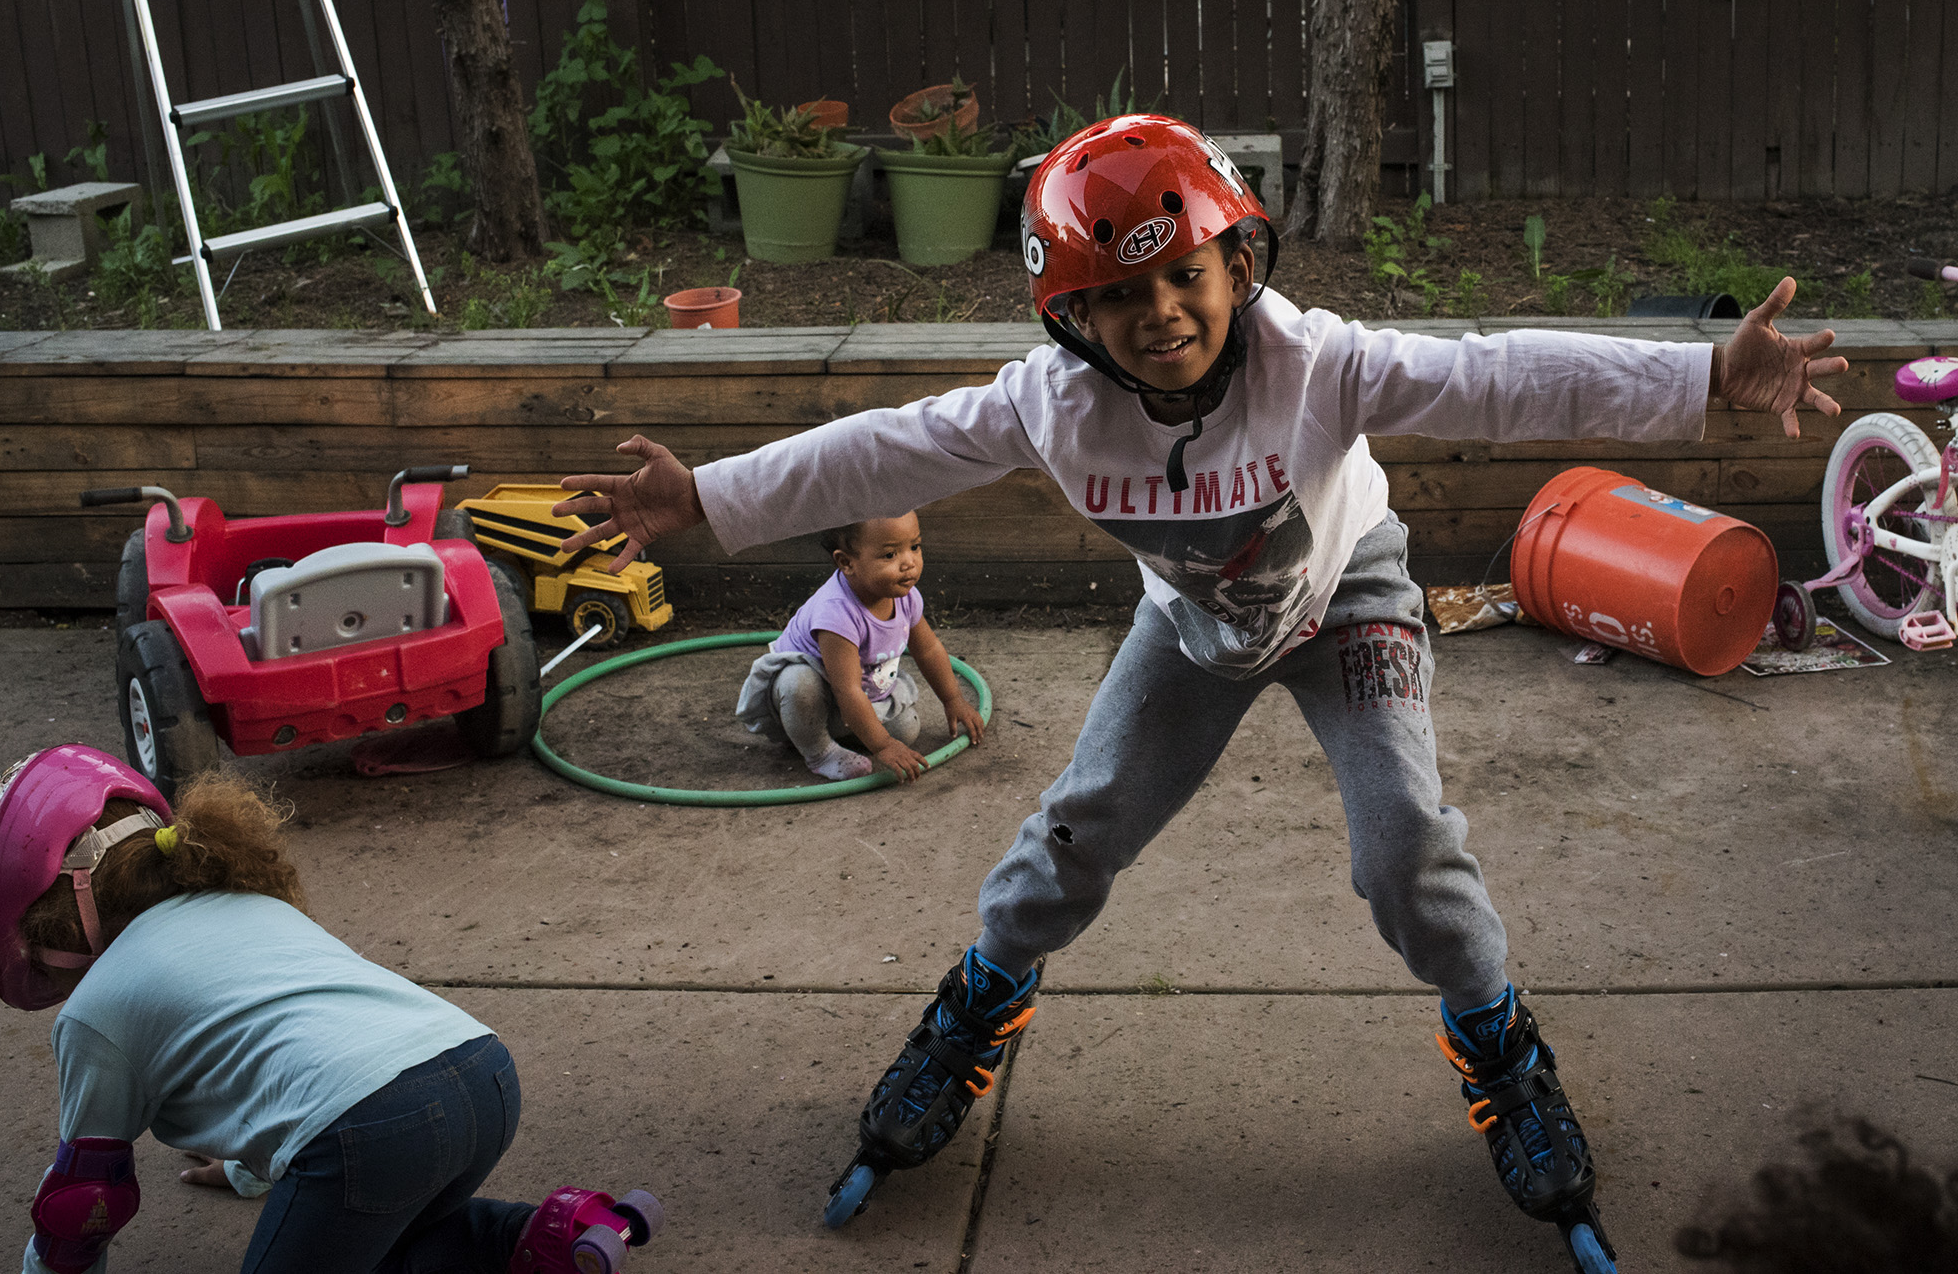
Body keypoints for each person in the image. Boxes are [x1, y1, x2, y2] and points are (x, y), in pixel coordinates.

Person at [550, 115, 1845, 1252]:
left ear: (1237, 263)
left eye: (1185, 276)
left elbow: (1495, 373)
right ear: (1075, 321)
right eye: (1121, 299)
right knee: (1071, 832)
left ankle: (1501, 1050)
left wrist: (1703, 372)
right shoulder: (1054, 407)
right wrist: (709, 498)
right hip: (1194, 624)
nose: (1160, 313)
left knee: (1408, 856)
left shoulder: (1319, 366)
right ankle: (973, 1017)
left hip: (1347, 600)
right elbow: (897, 446)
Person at [0, 746, 661, 1274]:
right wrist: (248, 1169)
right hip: (481, 1072)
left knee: (367, 1207)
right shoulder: (245, 903)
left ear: (51, 918)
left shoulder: (96, 1012)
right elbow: (306, 1053)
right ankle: (552, 1234)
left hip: (371, 1128)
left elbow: (83, 1203)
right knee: (386, 1240)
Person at [734, 511, 986, 782]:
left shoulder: (905, 596)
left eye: (914, 546)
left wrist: (953, 699)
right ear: (846, 562)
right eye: (890, 555)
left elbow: (928, 650)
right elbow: (848, 688)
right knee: (799, 683)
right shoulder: (837, 614)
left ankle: (846, 731)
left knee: (907, 730)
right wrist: (883, 746)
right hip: (815, 698)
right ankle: (818, 751)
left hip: (860, 695)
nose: (909, 563)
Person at [1674, 1118, 1958, 1272]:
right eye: (1697, 1245)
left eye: (1697, 1238)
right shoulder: (1743, 1255)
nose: (1704, 1242)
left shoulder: (1740, 1226)